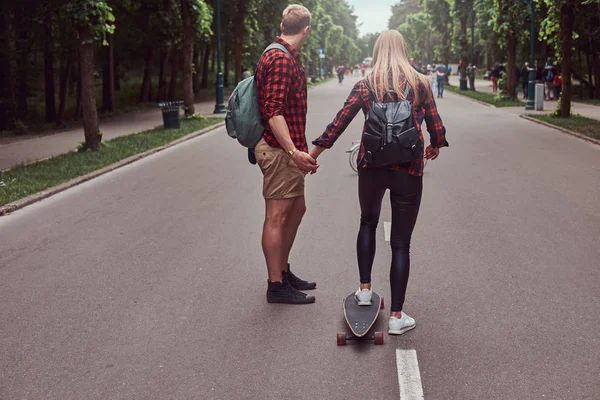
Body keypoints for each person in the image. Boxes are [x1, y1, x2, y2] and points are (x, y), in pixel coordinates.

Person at [310, 30, 448, 335]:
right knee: (401, 242)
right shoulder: (421, 83)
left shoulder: (366, 84)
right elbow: (436, 124)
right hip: (409, 169)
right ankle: (397, 316)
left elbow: (339, 122)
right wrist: (436, 144)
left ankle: (364, 290)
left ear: (376, 51)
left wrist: (313, 153)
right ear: (403, 50)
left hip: (371, 165)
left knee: (368, 222)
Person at [254, 4, 318, 304]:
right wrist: (293, 151)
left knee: (297, 209)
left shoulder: (283, 54)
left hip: (287, 150)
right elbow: (273, 111)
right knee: (277, 216)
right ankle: (275, 284)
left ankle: (283, 269)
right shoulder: (280, 58)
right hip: (279, 150)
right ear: (305, 30)